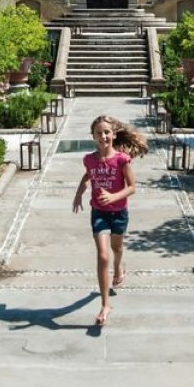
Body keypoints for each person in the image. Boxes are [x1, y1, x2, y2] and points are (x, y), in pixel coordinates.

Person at [71, 114, 149, 326]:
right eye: (99, 133)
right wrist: (79, 193)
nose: (103, 136)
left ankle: (119, 266)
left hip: (119, 213)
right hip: (99, 213)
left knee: (117, 249)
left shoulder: (122, 160)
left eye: (107, 132)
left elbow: (132, 187)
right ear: (93, 136)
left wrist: (114, 196)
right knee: (103, 255)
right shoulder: (89, 159)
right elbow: (88, 175)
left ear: (113, 135)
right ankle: (105, 305)